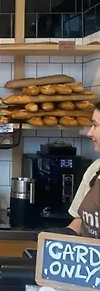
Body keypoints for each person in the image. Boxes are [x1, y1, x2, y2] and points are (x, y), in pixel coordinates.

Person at [65, 102, 100, 237]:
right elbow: (80, 220)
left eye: (95, 125)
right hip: (87, 250)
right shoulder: (96, 169)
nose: (89, 133)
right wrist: (62, 236)